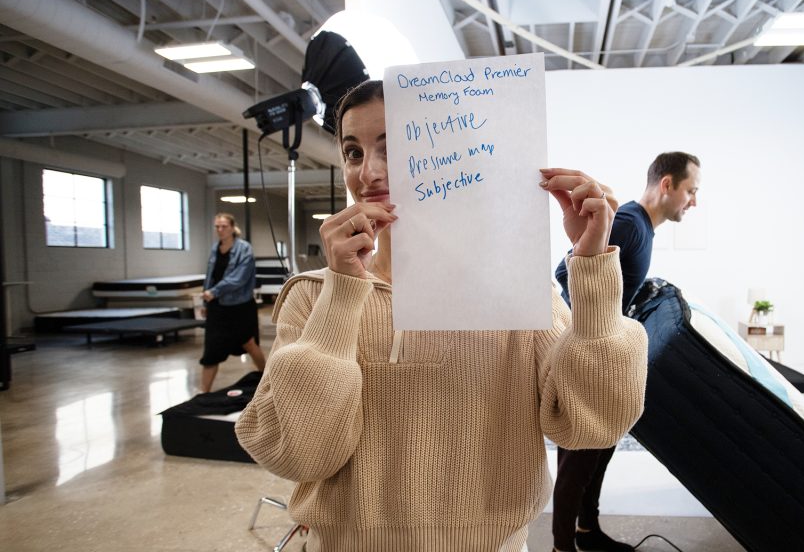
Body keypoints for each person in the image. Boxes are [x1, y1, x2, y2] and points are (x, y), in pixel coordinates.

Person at [234, 79, 648, 552]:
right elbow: (298, 453)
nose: (368, 172)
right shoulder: (313, 297)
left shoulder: (512, 292)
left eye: (393, 147)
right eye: (353, 151)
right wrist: (344, 293)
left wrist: (593, 268)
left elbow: (591, 422)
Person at [551, 152, 701, 552]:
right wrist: (591, 326)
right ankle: (562, 546)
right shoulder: (632, 224)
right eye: (691, 191)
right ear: (667, 184)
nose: (694, 202)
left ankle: (587, 531)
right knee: (579, 460)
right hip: (591, 354)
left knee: (601, 450)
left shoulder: (641, 229)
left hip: (609, 355)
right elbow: (567, 272)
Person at [199, 213, 266, 393]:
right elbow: (210, 276)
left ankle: (268, 381)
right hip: (216, 305)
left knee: (249, 343)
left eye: (224, 226)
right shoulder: (215, 249)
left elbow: (239, 278)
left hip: (240, 306)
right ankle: (203, 393)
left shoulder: (244, 248)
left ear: (232, 227)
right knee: (211, 351)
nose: (220, 230)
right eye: (217, 227)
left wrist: (214, 292)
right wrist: (206, 302)